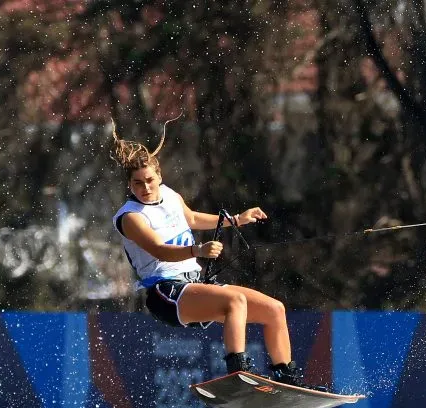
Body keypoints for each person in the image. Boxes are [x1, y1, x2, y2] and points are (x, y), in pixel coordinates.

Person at [110, 122, 309, 386]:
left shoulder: (169, 195)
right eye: (137, 184)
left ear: (159, 175)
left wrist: (237, 219)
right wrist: (197, 250)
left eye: (149, 181)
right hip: (165, 292)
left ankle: (288, 379)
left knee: (274, 309)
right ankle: (239, 375)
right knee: (235, 301)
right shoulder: (130, 217)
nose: (145, 188)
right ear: (129, 184)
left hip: (194, 284)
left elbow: (191, 218)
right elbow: (158, 250)